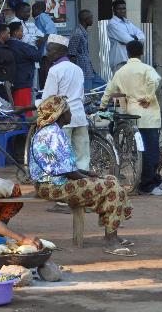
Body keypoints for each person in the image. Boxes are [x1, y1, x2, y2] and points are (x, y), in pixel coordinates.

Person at [28, 96, 136, 256]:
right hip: (52, 186)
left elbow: (64, 166)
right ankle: (110, 239)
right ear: (60, 113)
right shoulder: (53, 133)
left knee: (111, 180)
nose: (71, 114)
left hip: (53, 182)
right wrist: (88, 178)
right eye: (68, 110)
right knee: (111, 187)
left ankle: (112, 234)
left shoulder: (52, 131)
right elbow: (68, 172)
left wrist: (86, 173)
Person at [101, 40, 162, 196]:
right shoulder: (146, 68)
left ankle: (154, 180)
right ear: (142, 52)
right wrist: (149, 97)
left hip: (131, 113)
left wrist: (102, 106)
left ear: (127, 53)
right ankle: (147, 185)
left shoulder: (121, 71)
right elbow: (154, 80)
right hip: (148, 114)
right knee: (151, 151)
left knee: (145, 151)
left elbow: (109, 90)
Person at [39, 35, 89, 170]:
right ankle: (83, 183)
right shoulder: (77, 69)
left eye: (50, 51)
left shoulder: (55, 70)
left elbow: (49, 99)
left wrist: (33, 107)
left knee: (62, 154)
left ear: (61, 52)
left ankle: (65, 185)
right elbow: (81, 95)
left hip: (63, 118)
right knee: (82, 156)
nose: (47, 54)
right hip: (79, 116)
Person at [6, 22, 40, 112]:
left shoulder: (7, 44)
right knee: (24, 110)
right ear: (15, 32)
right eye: (21, 31)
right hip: (23, 80)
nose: (23, 33)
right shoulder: (21, 46)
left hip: (13, 80)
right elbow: (37, 56)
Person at [68, 9, 103, 92]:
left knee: (104, 87)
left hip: (89, 70)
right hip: (82, 71)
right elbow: (71, 54)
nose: (92, 20)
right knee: (87, 95)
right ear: (86, 20)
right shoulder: (77, 33)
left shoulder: (83, 32)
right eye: (91, 18)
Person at [107, 0, 145, 73]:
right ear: (114, 10)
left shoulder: (128, 23)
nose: (122, 11)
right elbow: (127, 40)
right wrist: (134, 39)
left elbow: (142, 37)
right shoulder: (113, 24)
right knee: (120, 84)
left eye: (124, 8)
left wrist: (135, 38)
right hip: (120, 60)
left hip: (130, 60)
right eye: (119, 9)